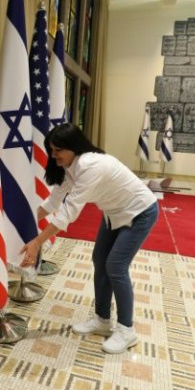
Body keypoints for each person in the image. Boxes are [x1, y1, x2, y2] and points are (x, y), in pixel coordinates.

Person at [20, 123, 159, 354]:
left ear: (73, 147)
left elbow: (67, 213)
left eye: (58, 151)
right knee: (99, 260)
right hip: (114, 213)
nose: (54, 156)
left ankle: (127, 330)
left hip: (139, 212)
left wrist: (37, 242)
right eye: (51, 151)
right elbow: (54, 201)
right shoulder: (71, 164)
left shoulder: (90, 166)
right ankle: (102, 320)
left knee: (116, 266)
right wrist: (23, 223)